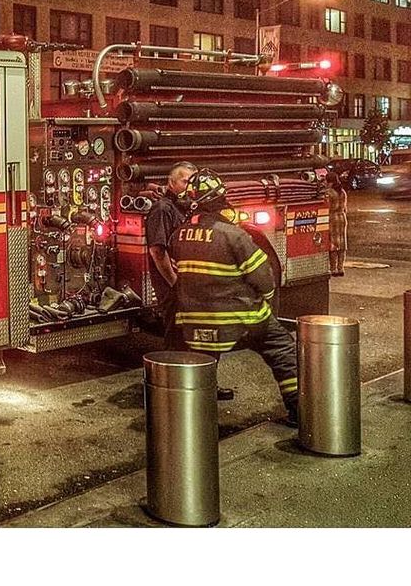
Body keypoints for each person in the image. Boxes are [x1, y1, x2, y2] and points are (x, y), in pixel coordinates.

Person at [170, 168, 298, 427]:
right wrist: (267, 300)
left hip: (194, 322)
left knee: (202, 361)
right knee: (282, 349)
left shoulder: (179, 235)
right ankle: (300, 410)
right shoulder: (235, 235)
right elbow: (263, 279)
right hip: (241, 320)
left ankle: (193, 423)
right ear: (221, 199)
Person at [144, 160, 197, 340]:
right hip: (171, 287)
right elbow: (157, 252)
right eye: (184, 182)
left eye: (192, 183)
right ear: (171, 182)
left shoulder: (184, 208)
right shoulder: (162, 209)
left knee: (187, 336)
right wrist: (175, 283)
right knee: (176, 337)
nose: (189, 187)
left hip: (184, 284)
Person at [326, 172, 348, 276]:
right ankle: (341, 268)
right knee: (342, 243)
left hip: (333, 218)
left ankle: (333, 268)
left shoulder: (329, 193)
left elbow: (328, 207)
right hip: (342, 217)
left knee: (333, 244)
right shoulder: (342, 192)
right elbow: (345, 207)